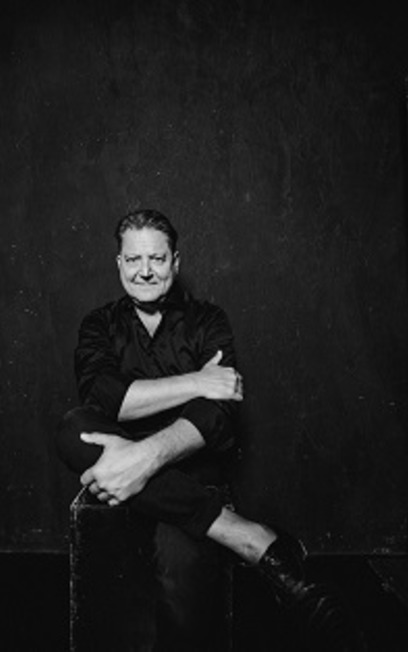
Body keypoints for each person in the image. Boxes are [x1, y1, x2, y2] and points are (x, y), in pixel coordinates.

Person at [56, 209, 363, 651]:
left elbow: (217, 414)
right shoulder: (98, 324)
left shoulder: (207, 320)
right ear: (119, 263)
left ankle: (219, 526)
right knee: (74, 428)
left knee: (183, 584)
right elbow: (108, 399)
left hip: (185, 469)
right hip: (127, 460)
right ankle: (247, 535)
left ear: (176, 262)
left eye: (157, 259)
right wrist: (197, 381)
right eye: (134, 259)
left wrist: (144, 458)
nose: (145, 271)